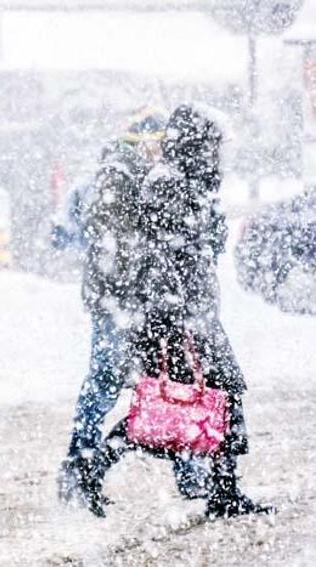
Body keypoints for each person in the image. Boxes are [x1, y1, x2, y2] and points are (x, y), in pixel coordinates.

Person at [83, 105, 275, 519]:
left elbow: (199, 248)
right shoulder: (169, 184)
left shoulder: (187, 182)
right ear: (196, 145)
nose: (219, 157)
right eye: (213, 147)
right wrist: (175, 317)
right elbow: (167, 256)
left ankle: (223, 488)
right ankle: (96, 466)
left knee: (194, 401)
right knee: (175, 405)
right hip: (177, 318)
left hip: (191, 314)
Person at [58, 107, 211, 506]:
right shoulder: (118, 175)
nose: (163, 151)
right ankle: (79, 466)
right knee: (107, 381)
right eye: (158, 143)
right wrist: (142, 276)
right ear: (142, 141)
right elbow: (115, 245)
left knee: (172, 381)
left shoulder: (141, 176)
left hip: (140, 301)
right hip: (121, 303)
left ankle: (188, 469)